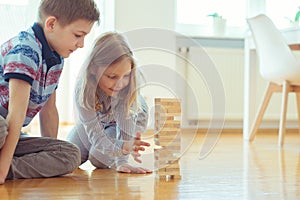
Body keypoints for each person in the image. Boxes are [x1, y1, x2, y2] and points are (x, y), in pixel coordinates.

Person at [0, 0, 100, 184]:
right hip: (4, 127)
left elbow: (49, 110)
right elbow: (16, 113)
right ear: (51, 24)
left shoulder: (56, 58)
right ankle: (3, 167)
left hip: (8, 136)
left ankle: (7, 170)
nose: (81, 44)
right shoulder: (26, 50)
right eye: (78, 35)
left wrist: (49, 148)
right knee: (1, 128)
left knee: (69, 154)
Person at [67, 32, 152, 174]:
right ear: (94, 69)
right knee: (69, 156)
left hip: (122, 123)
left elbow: (125, 130)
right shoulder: (83, 89)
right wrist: (113, 145)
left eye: (126, 76)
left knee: (98, 159)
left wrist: (122, 160)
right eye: (112, 77)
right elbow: (95, 134)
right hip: (100, 119)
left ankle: (106, 149)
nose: (120, 84)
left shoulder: (126, 90)